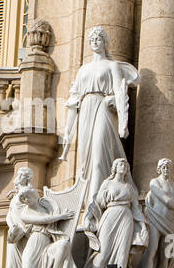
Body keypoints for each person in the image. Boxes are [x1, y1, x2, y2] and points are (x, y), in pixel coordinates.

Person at [59, 26, 139, 200]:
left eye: (99, 39)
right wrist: (67, 133)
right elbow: (73, 102)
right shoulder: (83, 70)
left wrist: (123, 124)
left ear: (105, 42)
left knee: (98, 157)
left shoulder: (112, 66)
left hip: (102, 108)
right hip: (86, 109)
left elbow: (119, 94)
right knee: (85, 161)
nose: (95, 42)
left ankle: (95, 204)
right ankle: (88, 202)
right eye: (92, 39)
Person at [82, 158, 146, 268]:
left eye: (125, 164)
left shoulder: (130, 188)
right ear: (115, 168)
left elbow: (136, 208)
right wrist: (88, 218)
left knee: (121, 257)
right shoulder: (107, 183)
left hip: (126, 218)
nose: (123, 166)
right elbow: (96, 203)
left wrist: (142, 226)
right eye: (120, 164)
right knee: (102, 253)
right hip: (110, 215)